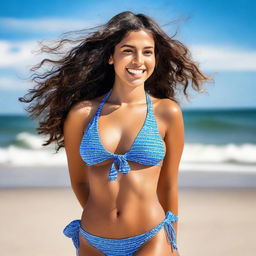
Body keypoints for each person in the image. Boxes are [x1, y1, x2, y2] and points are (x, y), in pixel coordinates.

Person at [19, 11, 212, 256]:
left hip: (150, 237)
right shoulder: (82, 114)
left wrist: (172, 240)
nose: (138, 60)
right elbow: (79, 180)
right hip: (93, 240)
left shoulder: (167, 112)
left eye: (147, 51)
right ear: (111, 56)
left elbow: (168, 184)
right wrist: (104, 216)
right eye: (128, 50)